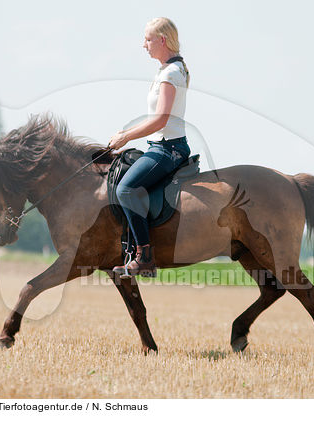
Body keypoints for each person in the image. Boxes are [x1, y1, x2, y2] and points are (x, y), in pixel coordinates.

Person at [108, 17, 191, 277]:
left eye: (147, 39)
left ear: (162, 40)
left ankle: (144, 256)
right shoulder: (167, 71)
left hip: (168, 150)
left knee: (126, 189)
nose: (144, 44)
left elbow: (161, 120)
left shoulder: (171, 73)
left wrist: (127, 138)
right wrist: (126, 132)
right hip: (160, 146)